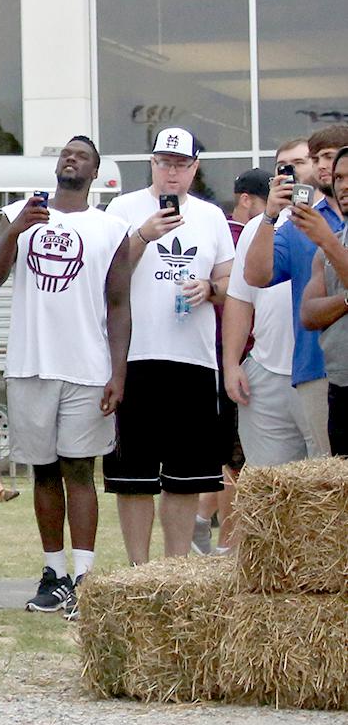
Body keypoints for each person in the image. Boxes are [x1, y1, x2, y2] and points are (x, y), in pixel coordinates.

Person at [0, 136, 131, 616]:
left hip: (87, 366)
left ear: (94, 172)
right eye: (67, 153)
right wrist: (15, 229)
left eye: (83, 155)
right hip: (31, 363)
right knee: (43, 471)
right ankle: (54, 573)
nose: (72, 158)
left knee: (79, 469)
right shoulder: (17, 213)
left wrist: (119, 371)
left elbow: (119, 304)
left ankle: (85, 577)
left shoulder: (112, 227)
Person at [103, 128, 234, 563]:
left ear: (195, 167)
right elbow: (108, 275)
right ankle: (139, 568)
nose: (171, 172)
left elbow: (231, 281)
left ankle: (176, 566)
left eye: (180, 164)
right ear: (152, 164)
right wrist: (143, 234)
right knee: (134, 475)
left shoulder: (212, 216)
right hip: (135, 355)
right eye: (164, 162)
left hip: (192, 357)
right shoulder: (123, 208)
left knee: (187, 475)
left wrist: (210, 287)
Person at [244, 124, 348, 456]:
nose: (322, 167)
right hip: (315, 366)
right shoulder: (301, 222)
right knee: (330, 481)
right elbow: (257, 276)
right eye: (316, 158)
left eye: (330, 157)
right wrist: (270, 216)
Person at [223, 165, 302, 472]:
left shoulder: (332, 223)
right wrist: (232, 365)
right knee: (268, 488)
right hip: (265, 371)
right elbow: (240, 300)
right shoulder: (257, 226)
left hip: (318, 373)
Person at [297, 160, 348, 449]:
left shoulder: (328, 242)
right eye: (339, 177)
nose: (343, 185)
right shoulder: (330, 244)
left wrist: (328, 242)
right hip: (340, 383)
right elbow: (309, 314)